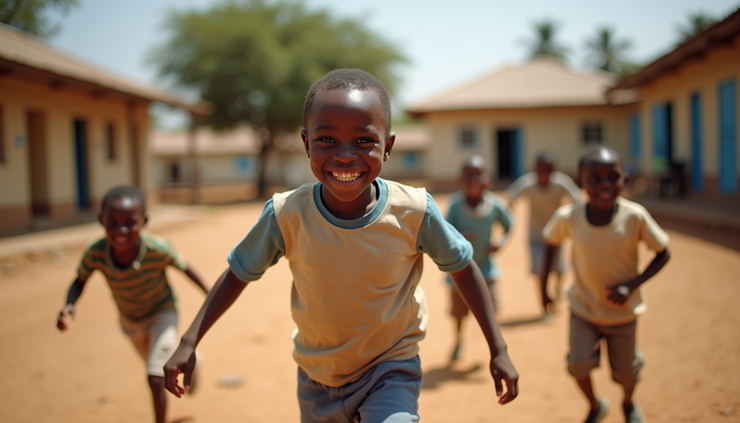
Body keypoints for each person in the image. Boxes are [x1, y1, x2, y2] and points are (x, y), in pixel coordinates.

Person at [163, 69, 519, 422]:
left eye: (364, 141)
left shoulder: (413, 211)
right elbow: (238, 274)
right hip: (318, 378)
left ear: (388, 146)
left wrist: (498, 348)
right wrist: (189, 341)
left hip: (390, 368)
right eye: (327, 141)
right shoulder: (287, 215)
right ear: (306, 144)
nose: (346, 155)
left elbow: (462, 267)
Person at [56, 185, 209, 423]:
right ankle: (194, 360)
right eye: (113, 222)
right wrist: (69, 305)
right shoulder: (96, 252)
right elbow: (80, 280)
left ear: (145, 221)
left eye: (130, 222)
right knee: (156, 365)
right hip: (130, 321)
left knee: (155, 375)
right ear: (101, 220)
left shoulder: (158, 249)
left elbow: (185, 267)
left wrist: (209, 294)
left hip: (163, 312)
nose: (121, 230)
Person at [540, 146, 670, 423]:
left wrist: (632, 284)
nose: (605, 185)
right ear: (580, 181)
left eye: (613, 177)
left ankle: (628, 402)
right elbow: (551, 244)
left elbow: (663, 253)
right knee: (577, 364)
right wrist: (544, 289)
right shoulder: (569, 217)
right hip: (584, 309)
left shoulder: (635, 216)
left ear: (625, 179)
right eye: (595, 178)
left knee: (625, 373)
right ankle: (595, 404)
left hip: (622, 313)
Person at [444, 155, 514, 362]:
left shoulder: (495, 204)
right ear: (461, 180)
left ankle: (494, 346)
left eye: (479, 175)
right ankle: (458, 339)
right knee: (459, 314)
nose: (475, 180)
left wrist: (500, 242)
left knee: (491, 310)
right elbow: (443, 230)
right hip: (459, 271)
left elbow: (510, 224)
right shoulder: (455, 205)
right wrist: (458, 235)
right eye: (470, 176)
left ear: (488, 179)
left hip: (487, 269)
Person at [506, 151, 581, 311]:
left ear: (554, 170)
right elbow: (511, 196)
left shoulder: (561, 183)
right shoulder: (528, 183)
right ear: (534, 170)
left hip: (556, 236)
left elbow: (577, 199)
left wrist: (570, 217)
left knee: (558, 269)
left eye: (549, 170)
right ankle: (544, 302)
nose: (544, 174)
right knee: (541, 271)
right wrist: (511, 214)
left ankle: (558, 287)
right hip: (535, 236)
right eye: (541, 170)